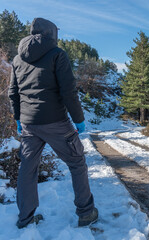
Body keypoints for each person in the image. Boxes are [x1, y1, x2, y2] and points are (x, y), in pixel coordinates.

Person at [8, 17, 98, 229]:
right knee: (77, 162)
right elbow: (68, 90)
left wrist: (19, 118)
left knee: (27, 169)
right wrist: (79, 120)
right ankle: (86, 212)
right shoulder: (58, 54)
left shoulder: (17, 59)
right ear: (52, 33)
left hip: (29, 125)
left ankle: (25, 218)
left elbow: (13, 92)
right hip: (56, 121)